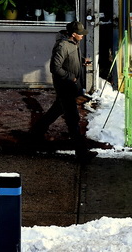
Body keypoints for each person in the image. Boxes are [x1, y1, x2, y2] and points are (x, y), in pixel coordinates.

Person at [30, 21, 96, 161]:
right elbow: (55, 68)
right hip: (65, 87)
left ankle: (36, 133)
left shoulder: (73, 43)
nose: (83, 36)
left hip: (70, 86)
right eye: (80, 34)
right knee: (73, 120)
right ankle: (82, 153)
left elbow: (71, 59)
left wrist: (82, 61)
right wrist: (70, 77)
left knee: (55, 111)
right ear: (73, 34)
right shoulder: (62, 46)